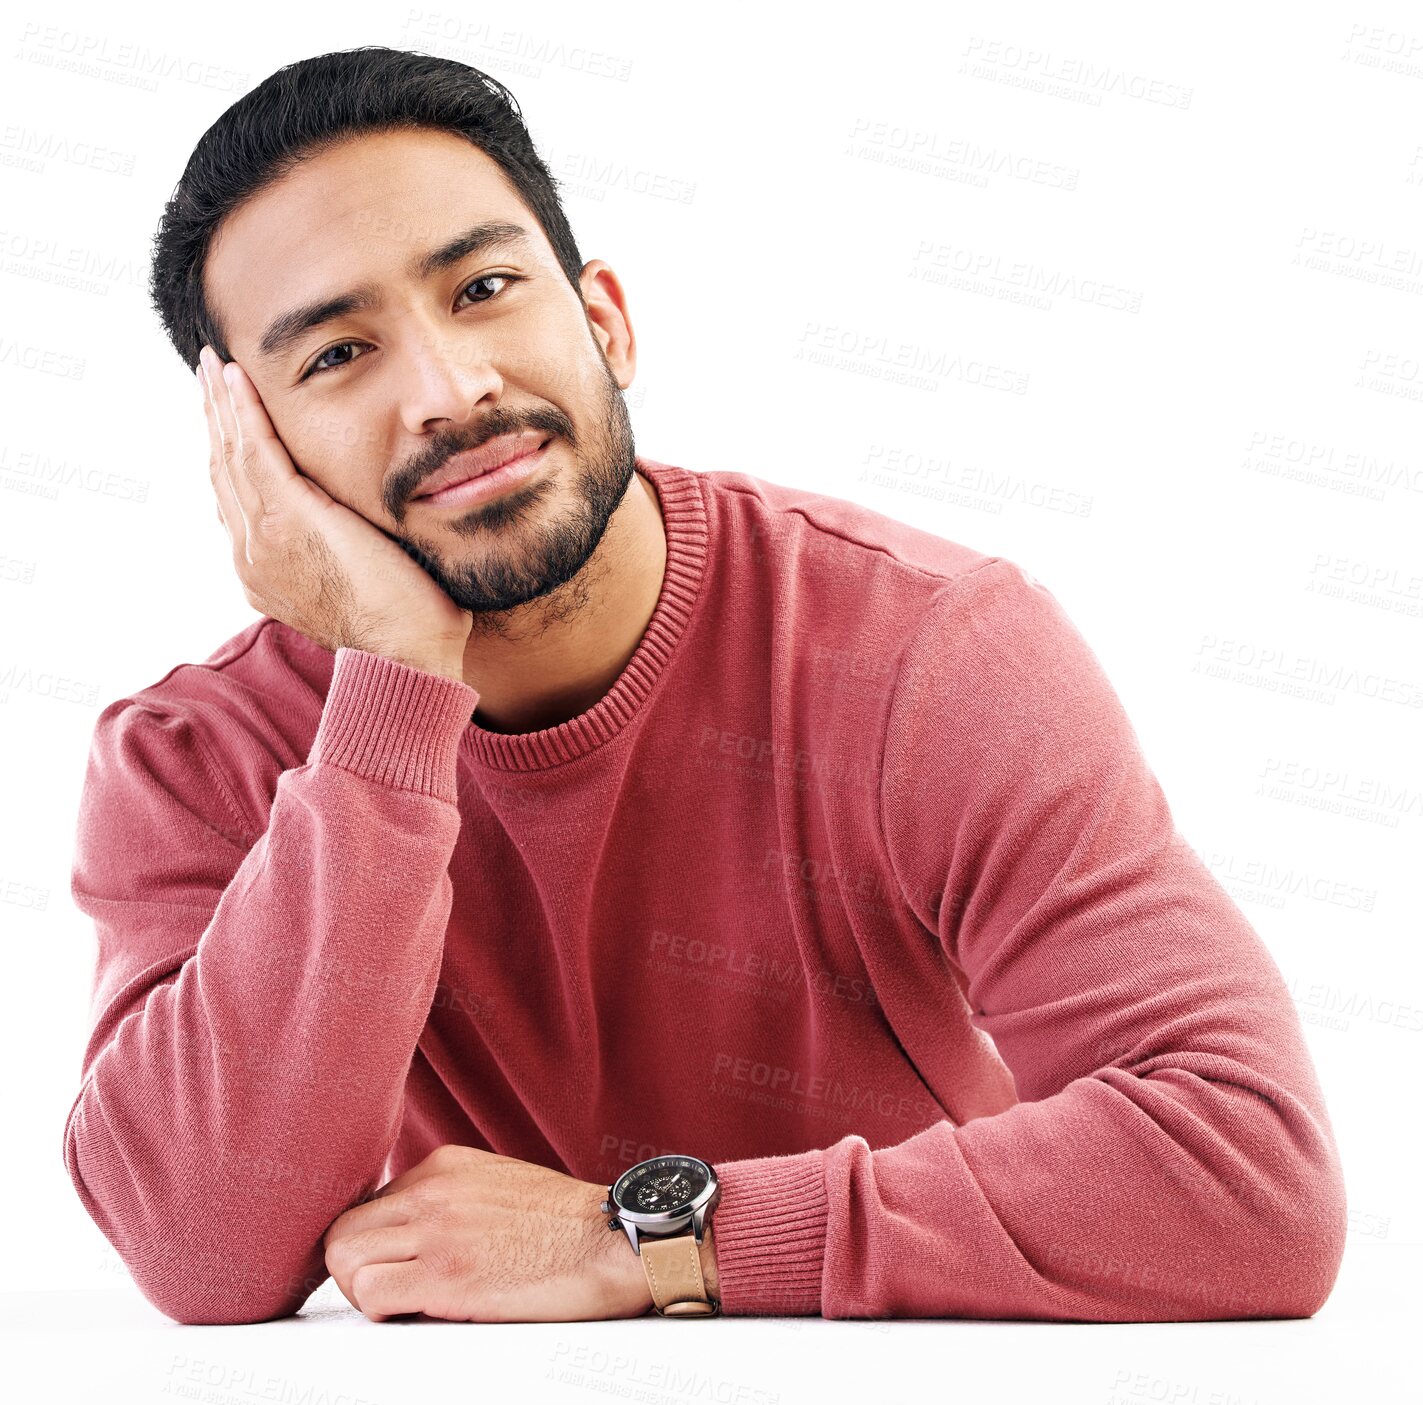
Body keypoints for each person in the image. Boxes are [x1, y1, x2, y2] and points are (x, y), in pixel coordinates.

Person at [63, 46, 1347, 1326]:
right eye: (336, 357)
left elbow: (1249, 1178)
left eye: (486, 287)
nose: (448, 392)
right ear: (252, 450)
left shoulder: (927, 652)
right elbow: (201, 1249)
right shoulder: (197, 756)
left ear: (605, 321)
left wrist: (635, 1238)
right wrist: (392, 689)